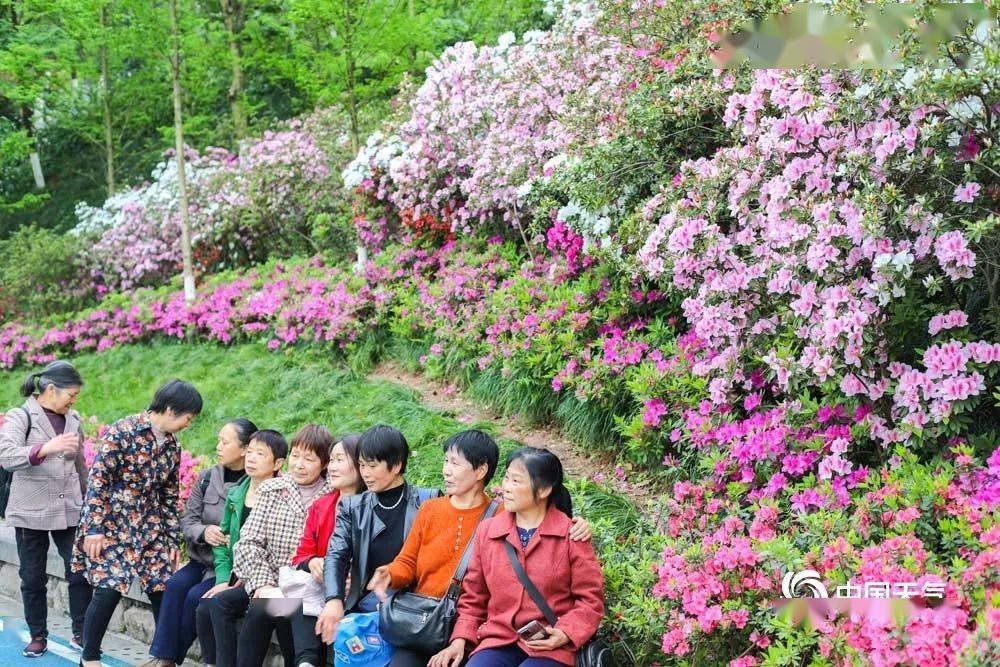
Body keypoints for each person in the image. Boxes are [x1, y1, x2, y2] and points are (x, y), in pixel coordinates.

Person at [367, 431, 592, 667]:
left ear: (481, 470)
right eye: (445, 461)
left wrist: (578, 525)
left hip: (480, 628)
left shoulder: (505, 515)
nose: (446, 470)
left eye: (454, 463)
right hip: (429, 620)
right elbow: (410, 564)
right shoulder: (432, 510)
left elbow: (544, 514)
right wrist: (390, 574)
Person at [431, 447, 604, 667]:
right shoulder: (489, 531)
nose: (506, 487)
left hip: (551, 646)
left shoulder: (570, 534)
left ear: (543, 490)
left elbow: (590, 600)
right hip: (498, 640)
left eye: (516, 481)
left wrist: (565, 633)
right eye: (506, 478)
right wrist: (460, 639)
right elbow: (474, 597)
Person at [72, 379, 203, 667]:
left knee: (161, 589)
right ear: (170, 409)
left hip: (151, 527)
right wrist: (94, 528)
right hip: (112, 524)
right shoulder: (123, 431)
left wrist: (171, 541)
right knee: (108, 590)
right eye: (187, 418)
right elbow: (98, 482)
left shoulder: (171, 445)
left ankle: (164, 658)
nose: (187, 425)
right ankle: (90, 657)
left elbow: (169, 496)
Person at [215, 425, 337, 667]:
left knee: (285, 612)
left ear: (324, 464)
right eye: (295, 456)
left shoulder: (332, 494)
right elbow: (248, 542)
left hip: (309, 585)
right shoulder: (272, 489)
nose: (299, 465)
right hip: (271, 582)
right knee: (263, 608)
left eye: (309, 459)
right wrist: (264, 583)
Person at [142, 418, 258, 667]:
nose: (218, 446)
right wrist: (204, 532)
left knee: (196, 596)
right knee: (174, 585)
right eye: (218, 440)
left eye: (225, 442)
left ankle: (169, 659)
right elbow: (188, 520)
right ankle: (163, 657)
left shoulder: (253, 484)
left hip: (228, 566)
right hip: (201, 560)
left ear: (245, 448)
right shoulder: (207, 478)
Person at [0, 360, 92, 658]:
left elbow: (80, 466)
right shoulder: (21, 416)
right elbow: (6, 455)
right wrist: (45, 448)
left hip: (70, 509)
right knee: (33, 577)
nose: (74, 400)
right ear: (51, 389)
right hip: (31, 512)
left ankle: (81, 632)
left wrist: (89, 498)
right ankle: (38, 635)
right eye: (71, 394)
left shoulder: (74, 418)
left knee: (79, 571)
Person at [317, 424, 441, 644]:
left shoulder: (428, 501)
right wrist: (334, 599)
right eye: (362, 465)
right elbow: (336, 555)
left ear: (396, 466)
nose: (365, 473)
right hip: (368, 603)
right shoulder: (353, 507)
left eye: (372, 466)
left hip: (414, 607)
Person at [196, 429, 286, 667]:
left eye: (260, 454)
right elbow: (223, 543)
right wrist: (223, 580)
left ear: (278, 463)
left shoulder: (284, 496)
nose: (251, 458)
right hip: (239, 576)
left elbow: (280, 548)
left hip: (268, 581)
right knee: (205, 606)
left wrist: (252, 579)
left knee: (223, 606)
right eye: (250, 452)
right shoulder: (237, 494)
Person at [288, 433, 363, 667]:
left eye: (340, 459)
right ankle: (306, 663)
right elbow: (300, 555)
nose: (332, 467)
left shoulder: (372, 506)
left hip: (355, 594)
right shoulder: (322, 505)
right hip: (320, 589)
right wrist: (312, 562)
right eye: (331, 460)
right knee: (283, 605)